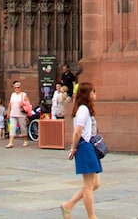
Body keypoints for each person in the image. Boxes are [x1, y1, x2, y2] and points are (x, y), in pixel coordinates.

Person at [60, 82, 102, 219]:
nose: (95, 94)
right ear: (87, 94)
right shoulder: (83, 109)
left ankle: (69, 204)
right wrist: (73, 148)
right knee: (89, 186)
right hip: (85, 146)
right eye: (93, 92)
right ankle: (92, 217)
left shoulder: (83, 109)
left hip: (87, 146)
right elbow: (77, 131)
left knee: (95, 184)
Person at [6, 81, 29, 148]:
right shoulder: (13, 95)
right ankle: (11, 142)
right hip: (13, 113)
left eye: (18, 87)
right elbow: (10, 104)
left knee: (23, 128)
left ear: (20, 88)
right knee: (12, 127)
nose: (16, 89)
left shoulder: (24, 94)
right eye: (15, 88)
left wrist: (23, 104)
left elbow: (28, 104)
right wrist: (8, 112)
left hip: (21, 113)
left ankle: (25, 140)